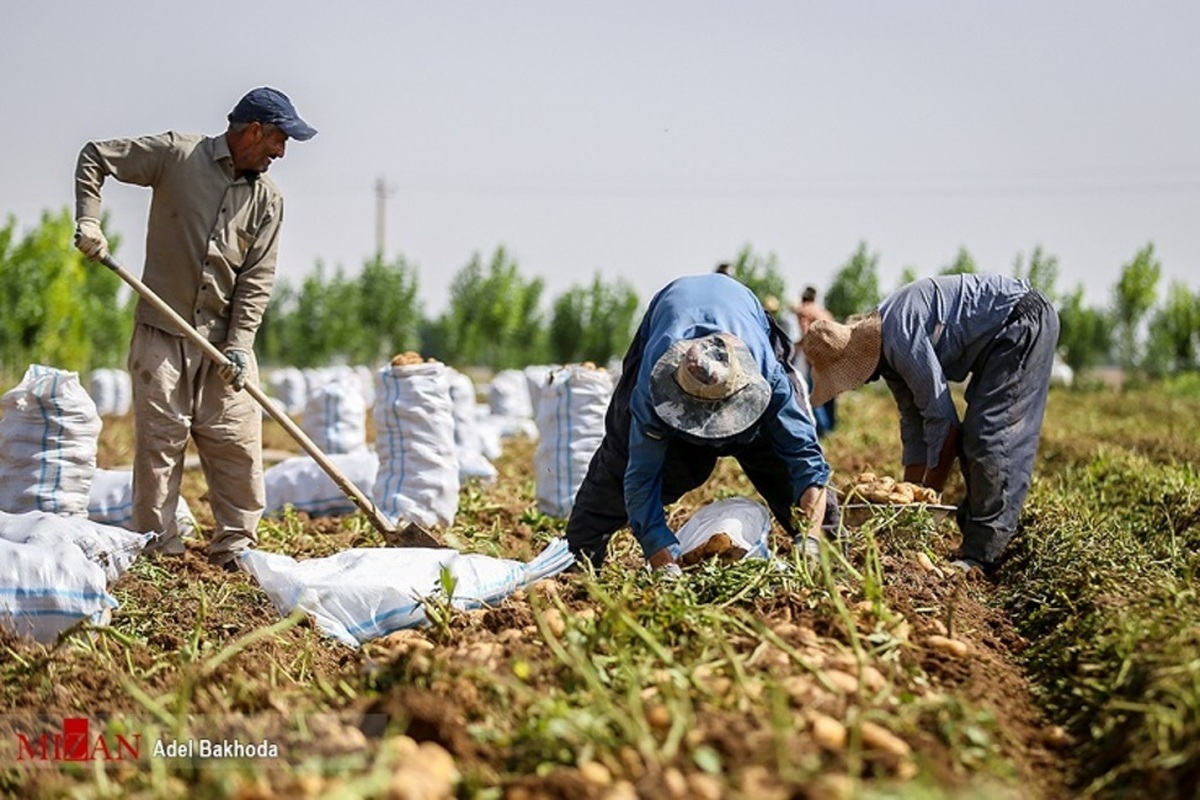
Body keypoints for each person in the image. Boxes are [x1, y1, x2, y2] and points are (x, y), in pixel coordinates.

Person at [73, 87, 317, 571]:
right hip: (162, 333)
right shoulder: (175, 156)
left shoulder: (268, 199)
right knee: (162, 444)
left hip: (222, 344)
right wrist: (89, 220)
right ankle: (159, 551)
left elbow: (256, 280)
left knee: (237, 441)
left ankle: (236, 549)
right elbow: (95, 157)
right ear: (253, 130)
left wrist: (242, 346)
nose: (281, 152)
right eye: (278, 140)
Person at [565, 273, 833, 575]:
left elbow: (807, 462)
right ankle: (576, 558)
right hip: (670, 313)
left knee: (789, 479)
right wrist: (661, 559)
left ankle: (830, 564)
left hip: (741, 315)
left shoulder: (771, 381)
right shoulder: (652, 390)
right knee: (618, 464)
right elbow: (640, 479)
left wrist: (810, 536)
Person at [801, 273, 1059, 575]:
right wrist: (905, 497)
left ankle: (983, 554)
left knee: (988, 436)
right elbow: (914, 427)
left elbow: (943, 421)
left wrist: (920, 508)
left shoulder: (898, 334)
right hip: (998, 338)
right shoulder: (886, 353)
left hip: (1020, 321)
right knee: (977, 435)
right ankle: (974, 537)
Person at [792, 285, 837, 435]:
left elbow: (807, 334)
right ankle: (831, 428)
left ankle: (822, 431)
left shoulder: (804, 311)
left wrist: (795, 347)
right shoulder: (825, 313)